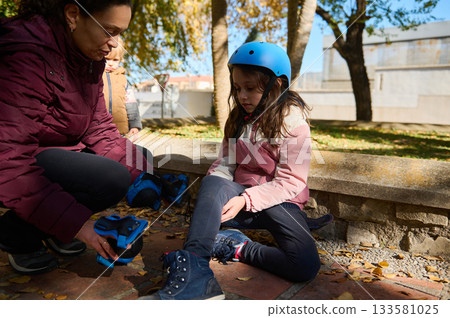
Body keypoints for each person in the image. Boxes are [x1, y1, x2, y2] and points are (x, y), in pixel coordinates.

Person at [141, 41, 326, 300]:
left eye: (250, 89)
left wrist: (245, 200)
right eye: (238, 88)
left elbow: (290, 182)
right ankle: (196, 268)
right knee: (214, 182)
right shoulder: (238, 119)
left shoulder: (294, 124)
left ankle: (238, 247)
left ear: (277, 85)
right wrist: (214, 196)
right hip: (237, 201)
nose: (241, 96)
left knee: (305, 265)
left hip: (278, 202)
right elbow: (224, 165)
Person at [0, 0, 154, 275]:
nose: (114, 43)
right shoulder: (27, 54)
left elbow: (101, 130)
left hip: (53, 153)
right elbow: (9, 160)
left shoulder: (87, 58)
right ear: (73, 15)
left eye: (120, 32)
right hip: (17, 161)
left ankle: (50, 228)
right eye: (109, 30)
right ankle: (16, 235)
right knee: (111, 177)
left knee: (141, 161)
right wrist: (80, 225)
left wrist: (149, 178)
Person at [102, 36, 142, 139]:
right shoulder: (95, 76)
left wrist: (134, 124)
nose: (111, 63)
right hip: (98, 128)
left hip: (119, 129)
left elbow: (131, 103)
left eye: (115, 60)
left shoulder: (123, 79)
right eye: (107, 59)